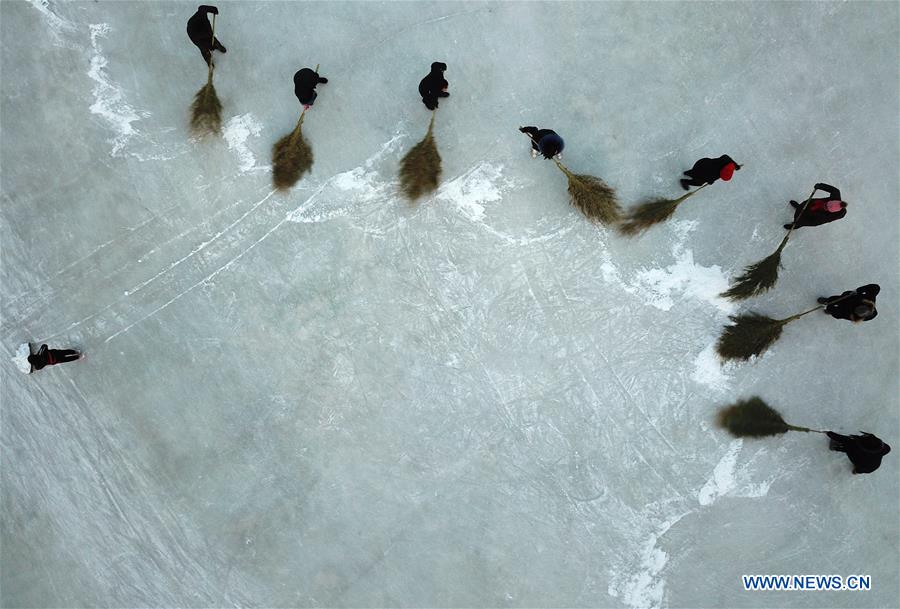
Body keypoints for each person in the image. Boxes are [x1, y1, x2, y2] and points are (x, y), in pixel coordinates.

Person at [826, 432, 891, 474]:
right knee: (854, 449)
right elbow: (888, 449)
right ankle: (857, 471)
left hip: (864, 466)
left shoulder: (857, 447)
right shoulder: (882, 446)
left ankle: (835, 447)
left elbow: (843, 439)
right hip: (873, 466)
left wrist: (829, 433)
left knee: (850, 448)